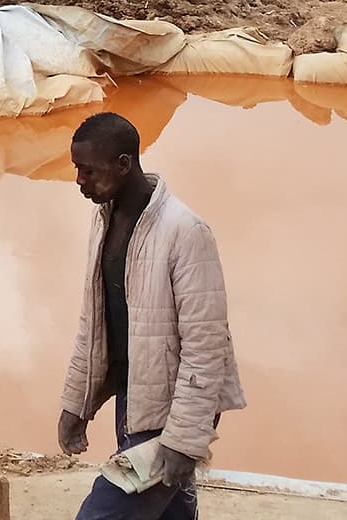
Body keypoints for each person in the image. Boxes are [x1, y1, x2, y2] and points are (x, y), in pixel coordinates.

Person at [59, 112, 244, 520]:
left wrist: (183, 440)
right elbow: (93, 325)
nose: (79, 182)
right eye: (77, 170)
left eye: (88, 171)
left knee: (100, 516)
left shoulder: (186, 232)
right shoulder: (103, 220)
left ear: (124, 164)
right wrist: (76, 404)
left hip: (169, 409)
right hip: (134, 396)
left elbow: (206, 346)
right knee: (171, 513)